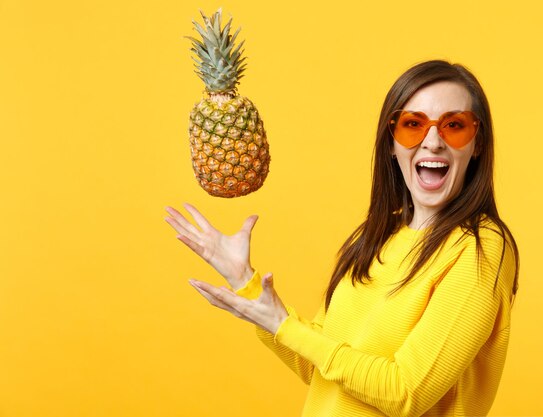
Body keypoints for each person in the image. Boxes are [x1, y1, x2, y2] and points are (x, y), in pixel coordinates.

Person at [164, 59, 520, 417]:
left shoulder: (481, 248)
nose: (432, 142)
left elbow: (407, 393)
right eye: (412, 125)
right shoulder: (377, 236)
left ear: (476, 144)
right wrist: (245, 283)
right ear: (391, 144)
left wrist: (281, 324)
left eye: (454, 126)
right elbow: (318, 367)